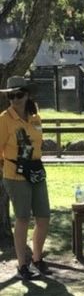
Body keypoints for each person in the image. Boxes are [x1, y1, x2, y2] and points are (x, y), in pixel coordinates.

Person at [0, 75, 51, 281]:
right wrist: (6, 167)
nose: (15, 99)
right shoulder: (4, 120)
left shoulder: (35, 115)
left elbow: (37, 142)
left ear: (27, 94)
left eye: (19, 94)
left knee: (44, 216)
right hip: (15, 174)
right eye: (11, 96)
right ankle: (22, 265)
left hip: (36, 171)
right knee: (22, 218)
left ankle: (37, 258)